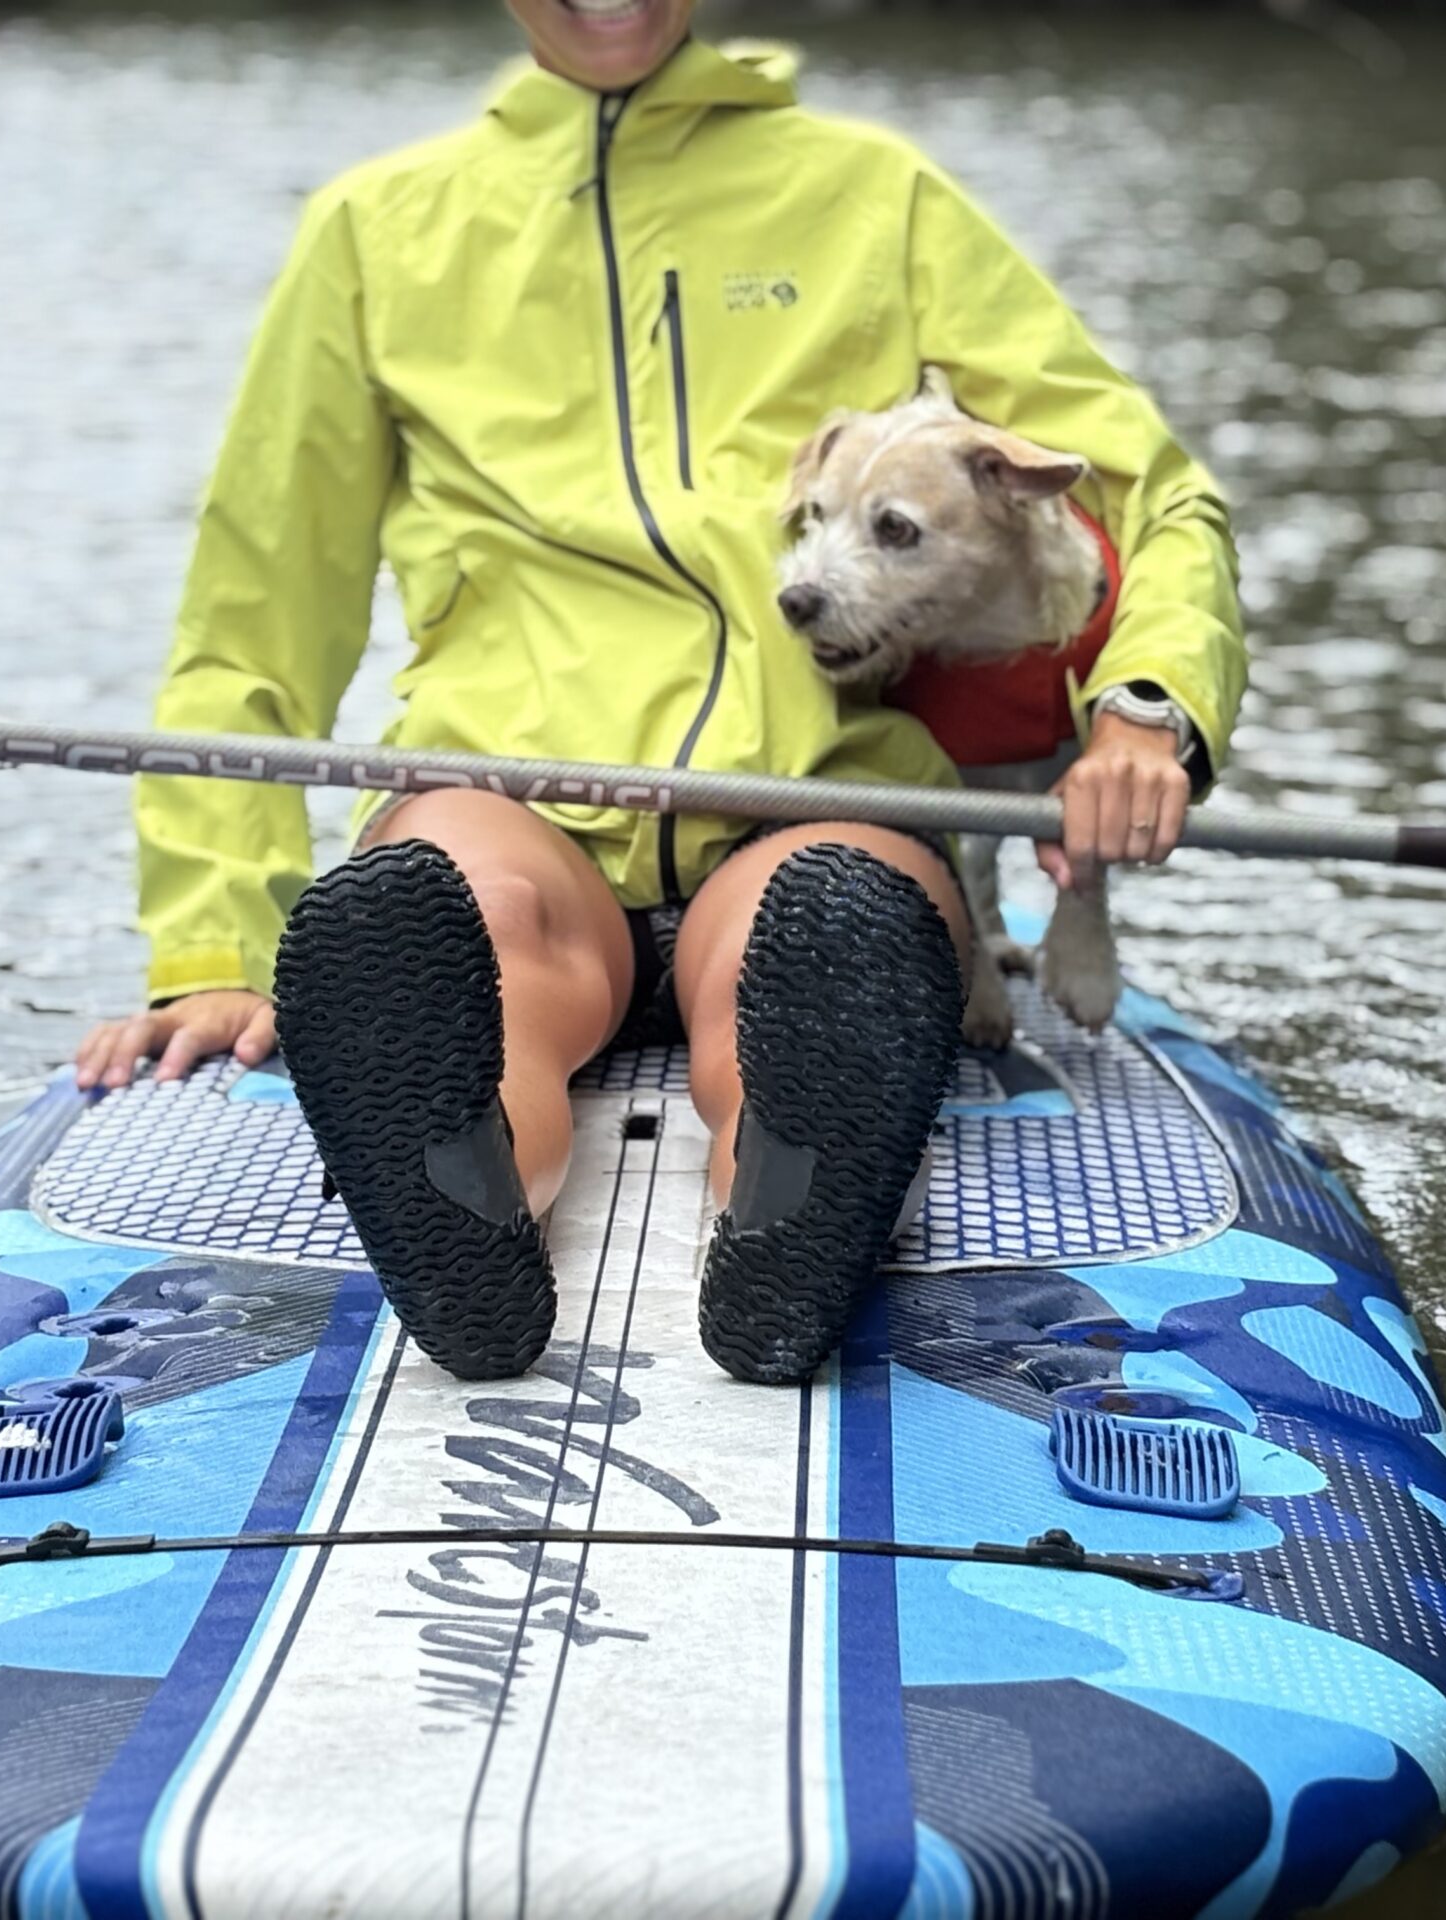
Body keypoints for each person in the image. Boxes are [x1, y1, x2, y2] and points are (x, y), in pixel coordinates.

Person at [73, 0, 1244, 1387]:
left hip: (808, 794)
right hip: (507, 799)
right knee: (474, 926)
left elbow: (1145, 489)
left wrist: (1145, 706)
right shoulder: (374, 229)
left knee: (818, 934)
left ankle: (784, 1210)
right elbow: (257, 603)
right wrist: (215, 937)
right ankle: (467, 1196)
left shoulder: (881, 194)